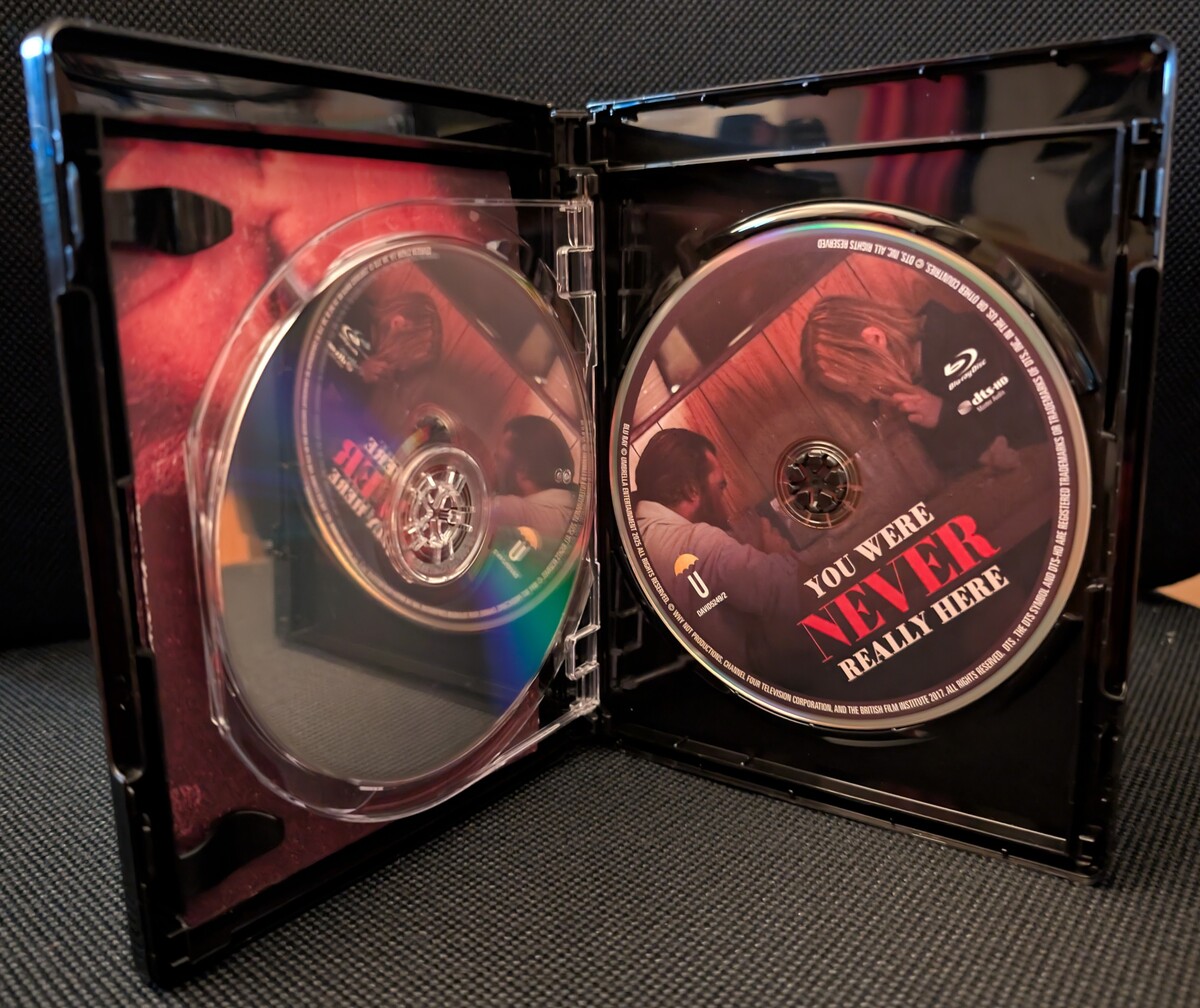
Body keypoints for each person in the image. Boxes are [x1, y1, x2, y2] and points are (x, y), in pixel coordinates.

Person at [799, 296, 1045, 477]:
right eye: (851, 394)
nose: (864, 398)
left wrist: (945, 416)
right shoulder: (912, 397)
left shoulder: (967, 336)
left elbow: (1030, 428)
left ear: (875, 339)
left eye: (860, 380)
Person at [632, 428, 800, 672]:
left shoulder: (640, 537)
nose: (723, 498)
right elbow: (797, 593)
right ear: (691, 488)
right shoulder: (699, 542)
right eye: (720, 487)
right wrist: (776, 554)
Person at [489, 415, 579, 544]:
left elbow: (471, 511)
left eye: (498, 460)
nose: (494, 466)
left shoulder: (515, 513)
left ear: (523, 469)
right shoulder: (572, 507)